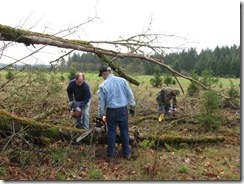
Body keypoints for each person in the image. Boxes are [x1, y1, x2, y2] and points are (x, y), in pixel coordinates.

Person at [97, 66, 136, 162]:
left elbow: (101, 103)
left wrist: (100, 116)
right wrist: (132, 107)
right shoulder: (122, 81)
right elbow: (130, 95)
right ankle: (126, 153)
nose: (102, 77)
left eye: (102, 75)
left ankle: (110, 155)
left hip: (111, 111)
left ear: (104, 73)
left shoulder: (103, 85)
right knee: (124, 132)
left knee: (111, 133)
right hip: (123, 110)